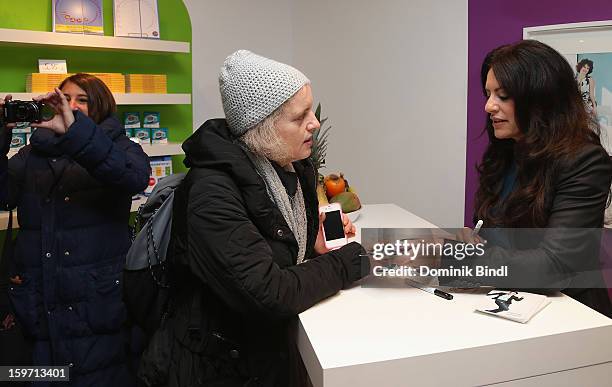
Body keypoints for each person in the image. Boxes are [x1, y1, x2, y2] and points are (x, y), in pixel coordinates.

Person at [147, 50, 368, 386]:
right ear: (263, 129)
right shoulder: (211, 194)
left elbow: (274, 252)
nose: (315, 123)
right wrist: (344, 262)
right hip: (217, 369)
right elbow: (267, 292)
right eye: (299, 117)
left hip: (264, 358)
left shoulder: (290, 168)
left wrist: (311, 247)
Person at [0, 73, 150, 386]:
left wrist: (77, 135)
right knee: (40, 376)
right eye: (65, 99)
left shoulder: (123, 147)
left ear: (101, 106)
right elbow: (4, 198)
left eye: (83, 100)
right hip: (37, 297)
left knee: (100, 373)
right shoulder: (32, 153)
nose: (73, 106)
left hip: (97, 299)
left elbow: (133, 178)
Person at [445, 40, 612, 316]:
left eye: (503, 95)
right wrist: (473, 239)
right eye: (488, 94)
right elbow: (498, 236)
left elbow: (554, 265)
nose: (488, 106)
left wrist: (457, 260)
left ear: (540, 97)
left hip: (568, 315)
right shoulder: (506, 152)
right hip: (508, 301)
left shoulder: (584, 160)